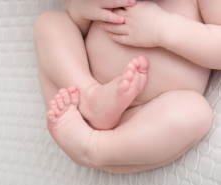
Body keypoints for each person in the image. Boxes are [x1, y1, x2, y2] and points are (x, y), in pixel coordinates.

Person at [33, 0, 219, 173]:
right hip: (76, 94)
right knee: (49, 22)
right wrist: (82, 9)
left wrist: (160, 27)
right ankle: (90, 96)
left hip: (140, 119)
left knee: (195, 112)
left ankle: (95, 147)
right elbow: (74, 21)